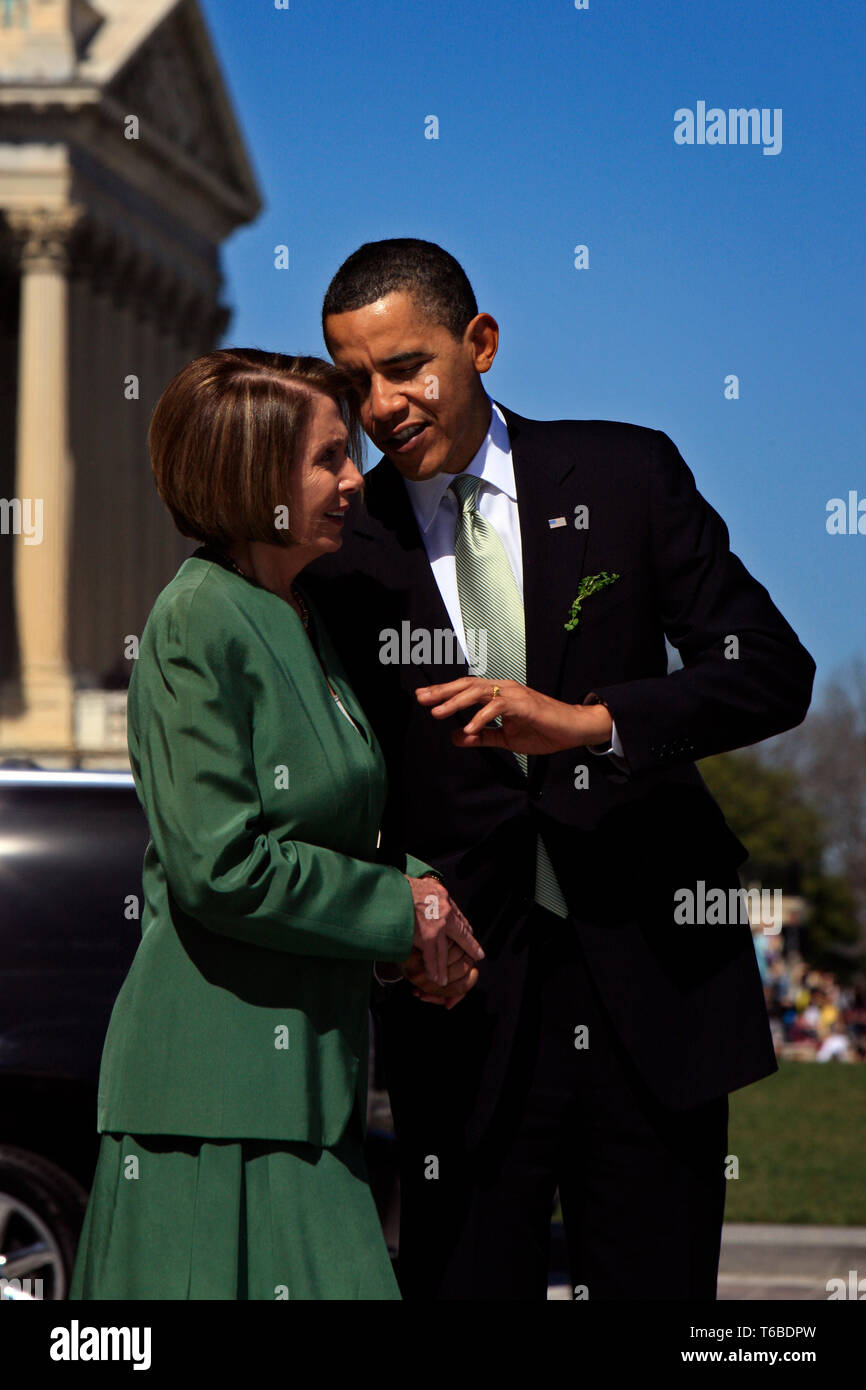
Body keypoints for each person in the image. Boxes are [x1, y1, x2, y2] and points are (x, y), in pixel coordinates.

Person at [303, 238, 817, 1300]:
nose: (384, 403)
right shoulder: (340, 551)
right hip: (463, 1006)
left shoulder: (625, 474)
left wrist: (589, 721)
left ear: (478, 343)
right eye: (355, 382)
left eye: (407, 367)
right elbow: (339, 779)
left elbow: (770, 670)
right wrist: (396, 903)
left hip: (656, 986)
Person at [69, 348, 483, 1301]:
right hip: (213, 1104)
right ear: (253, 475)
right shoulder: (198, 620)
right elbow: (224, 865)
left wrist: (424, 911)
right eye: (328, 459)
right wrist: (400, 910)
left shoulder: (294, 614)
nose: (354, 480)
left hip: (302, 1092)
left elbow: (337, 836)